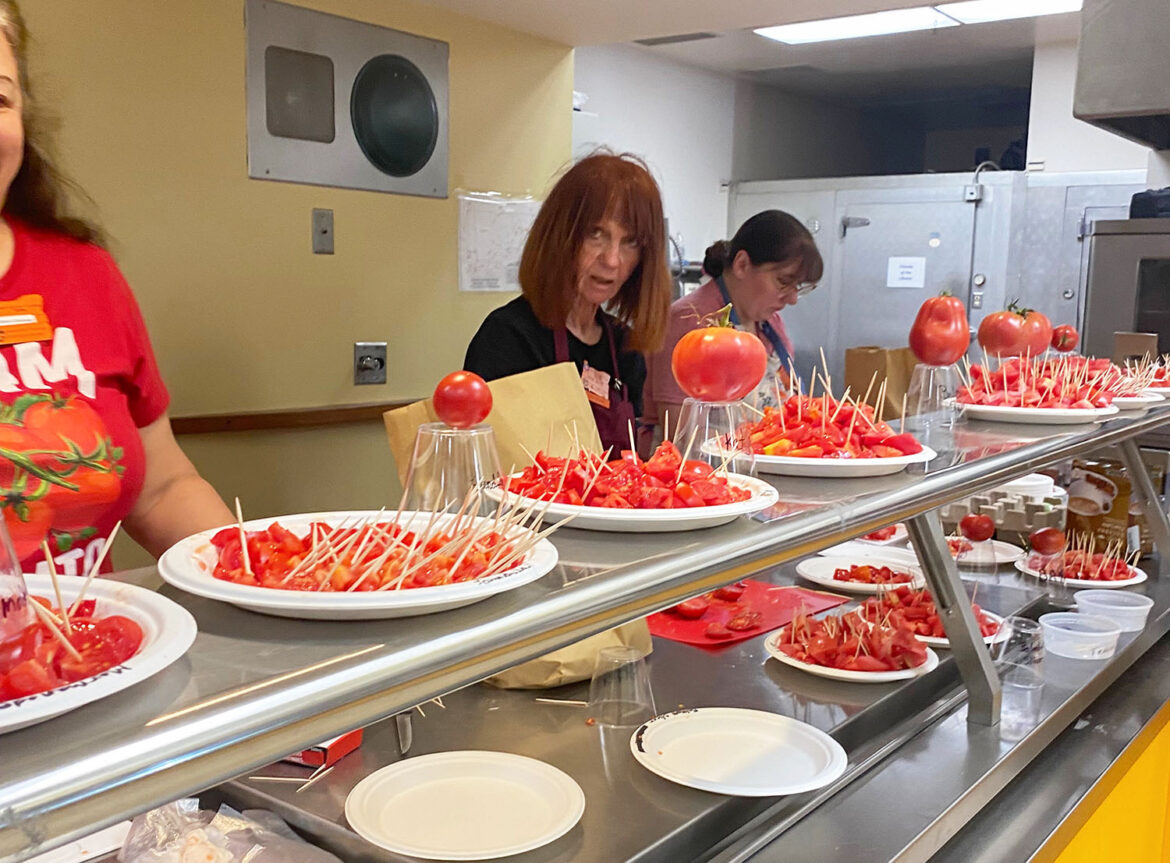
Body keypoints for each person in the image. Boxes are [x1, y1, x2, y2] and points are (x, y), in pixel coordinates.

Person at [0, 0, 232, 574]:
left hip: (85, 653)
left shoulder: (85, 273)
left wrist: (258, 575)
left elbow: (162, 487)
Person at [464, 152, 671, 455]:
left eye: (631, 242)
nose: (612, 260)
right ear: (560, 236)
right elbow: (487, 465)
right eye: (596, 234)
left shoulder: (625, 348)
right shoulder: (509, 337)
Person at [643, 210, 824, 440]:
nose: (792, 299)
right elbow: (681, 439)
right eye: (783, 282)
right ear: (741, 264)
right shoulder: (690, 322)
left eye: (798, 287)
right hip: (708, 470)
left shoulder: (771, 325)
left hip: (763, 465)